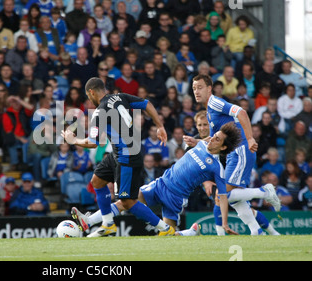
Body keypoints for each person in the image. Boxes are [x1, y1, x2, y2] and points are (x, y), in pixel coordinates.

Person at [73, 122, 245, 236]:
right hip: (161, 184)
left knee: (168, 235)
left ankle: (189, 233)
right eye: (215, 135)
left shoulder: (216, 168)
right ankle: (88, 221)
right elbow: (203, 141)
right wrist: (194, 139)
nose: (213, 138)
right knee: (126, 201)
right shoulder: (201, 144)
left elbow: (222, 196)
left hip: (176, 197)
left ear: (222, 146)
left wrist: (224, 222)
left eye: (218, 139)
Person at [61, 77, 172, 237]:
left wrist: (73, 140)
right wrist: (160, 126)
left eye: (88, 96)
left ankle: (165, 229)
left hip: (127, 156)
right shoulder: (120, 97)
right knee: (97, 181)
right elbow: (146, 104)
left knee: (127, 202)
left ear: (91, 92)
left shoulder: (99, 112)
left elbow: (94, 143)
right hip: (118, 152)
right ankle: (107, 223)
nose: (89, 100)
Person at [187, 74, 281, 235]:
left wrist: (250, 138)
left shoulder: (215, 102)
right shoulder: (209, 110)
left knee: (222, 194)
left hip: (240, 150)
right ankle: (256, 230)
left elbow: (241, 112)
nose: (196, 91)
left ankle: (265, 192)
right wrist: (196, 142)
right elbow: (214, 140)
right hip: (234, 153)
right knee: (236, 200)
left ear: (209, 89)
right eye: (194, 88)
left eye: (200, 87)